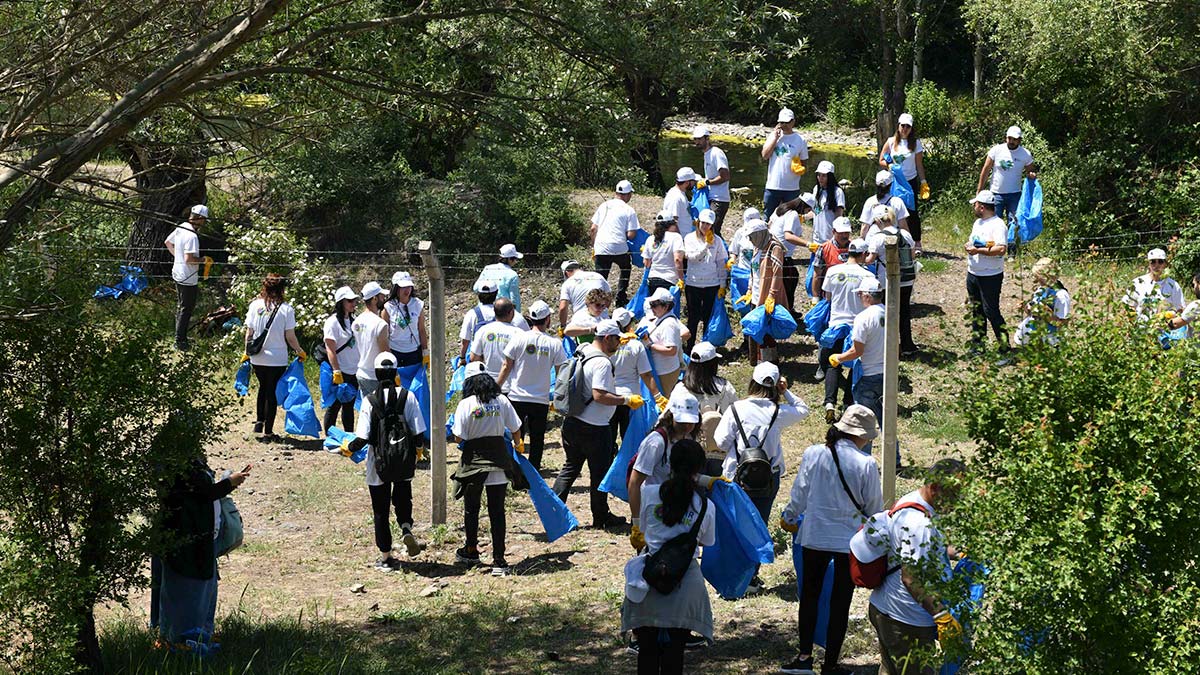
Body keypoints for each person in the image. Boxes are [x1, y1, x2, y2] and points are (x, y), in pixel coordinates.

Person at [779, 405, 882, 675]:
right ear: (862, 435)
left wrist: (789, 515)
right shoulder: (867, 463)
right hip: (848, 542)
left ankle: (803, 657)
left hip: (813, 536)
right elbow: (874, 509)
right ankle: (831, 663)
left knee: (809, 598)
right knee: (840, 603)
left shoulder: (814, 453)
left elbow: (799, 492)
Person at [621, 440, 715, 674]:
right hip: (685, 583)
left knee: (647, 652)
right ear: (699, 469)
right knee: (675, 654)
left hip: (648, 579)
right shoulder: (705, 505)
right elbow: (707, 541)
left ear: (669, 464)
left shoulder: (649, 493)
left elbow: (642, 526)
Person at [714, 361, 809, 591]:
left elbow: (720, 441)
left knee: (736, 525)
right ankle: (752, 576)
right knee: (759, 524)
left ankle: (735, 575)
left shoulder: (736, 409)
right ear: (776, 386)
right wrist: (786, 392)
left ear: (752, 382)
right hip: (768, 477)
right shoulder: (778, 412)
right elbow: (803, 409)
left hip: (736, 476)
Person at [867, 459, 967, 675]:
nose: (957, 502)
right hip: (904, 621)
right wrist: (941, 615)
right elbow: (911, 578)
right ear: (934, 488)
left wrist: (957, 552)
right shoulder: (919, 523)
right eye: (954, 494)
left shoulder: (916, 501)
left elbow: (927, 550)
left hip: (889, 611)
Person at [339, 352, 428, 570]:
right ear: (396, 372)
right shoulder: (408, 396)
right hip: (403, 461)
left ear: (377, 373)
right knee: (403, 497)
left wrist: (345, 448)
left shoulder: (370, 401)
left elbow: (362, 438)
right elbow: (419, 435)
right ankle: (406, 526)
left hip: (377, 463)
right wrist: (417, 452)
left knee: (380, 510)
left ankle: (386, 556)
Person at [155, 457, 250, 650]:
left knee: (205, 592)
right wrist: (229, 483)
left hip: (203, 541)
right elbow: (199, 494)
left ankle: (200, 637)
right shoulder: (176, 463)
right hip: (188, 545)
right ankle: (182, 644)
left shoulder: (187, 459)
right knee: (189, 594)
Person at [553, 319, 639, 529]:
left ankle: (553, 512)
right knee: (599, 472)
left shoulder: (583, 350)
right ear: (607, 338)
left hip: (572, 422)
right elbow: (599, 395)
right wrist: (625, 400)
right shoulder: (601, 362)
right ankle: (600, 516)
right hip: (594, 427)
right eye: (617, 339)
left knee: (570, 467)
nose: (619, 343)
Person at [452, 362, 524, 576]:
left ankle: (471, 550)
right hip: (499, 462)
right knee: (497, 511)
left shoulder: (465, 404)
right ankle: (499, 560)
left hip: (474, 463)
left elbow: (459, 436)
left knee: (471, 508)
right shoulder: (501, 401)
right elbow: (516, 428)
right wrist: (517, 445)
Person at [497, 300, 569, 470]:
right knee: (537, 438)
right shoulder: (554, 344)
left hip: (516, 396)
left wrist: (496, 386)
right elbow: (562, 374)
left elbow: (506, 366)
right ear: (548, 320)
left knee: (516, 434)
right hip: (540, 399)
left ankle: (514, 467)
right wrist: (559, 397)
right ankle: (534, 469)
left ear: (530, 318)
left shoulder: (519, 338)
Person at [628, 394, 702, 547]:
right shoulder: (655, 443)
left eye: (691, 422)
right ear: (671, 415)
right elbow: (635, 483)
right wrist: (637, 524)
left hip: (676, 505)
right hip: (653, 509)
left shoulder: (687, 439)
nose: (687, 426)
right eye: (682, 421)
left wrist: (708, 480)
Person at [818, 239, 876, 423]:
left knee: (832, 364)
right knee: (855, 363)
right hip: (856, 327)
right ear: (864, 254)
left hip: (835, 325)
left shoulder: (833, 270)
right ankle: (848, 402)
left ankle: (829, 403)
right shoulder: (867, 276)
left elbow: (827, 296)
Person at [243, 273, 305, 438]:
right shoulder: (286, 309)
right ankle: (268, 432)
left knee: (263, 387)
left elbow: (249, 332)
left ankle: (259, 422)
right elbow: (290, 337)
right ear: (282, 289)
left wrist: (246, 352)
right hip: (277, 358)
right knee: (272, 392)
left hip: (257, 356)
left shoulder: (254, 306)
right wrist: (300, 351)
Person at [672, 341, 738, 475]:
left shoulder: (681, 388)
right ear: (713, 364)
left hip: (690, 451)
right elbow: (736, 417)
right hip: (719, 451)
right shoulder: (725, 387)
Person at [829, 278, 887, 427]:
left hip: (869, 375)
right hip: (888, 374)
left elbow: (857, 350)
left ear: (867, 296)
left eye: (860, 294)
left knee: (863, 422)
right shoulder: (890, 314)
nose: (859, 297)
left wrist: (839, 358)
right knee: (885, 420)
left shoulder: (863, 318)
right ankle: (893, 451)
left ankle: (863, 451)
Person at [610, 308, 668, 451]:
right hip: (631, 399)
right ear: (628, 324)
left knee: (608, 437)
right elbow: (646, 375)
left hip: (609, 397)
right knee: (630, 438)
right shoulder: (635, 345)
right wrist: (658, 396)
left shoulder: (606, 344)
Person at [864, 205, 920, 355]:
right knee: (904, 311)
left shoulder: (878, 238)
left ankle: (889, 346)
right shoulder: (905, 234)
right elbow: (913, 255)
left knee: (888, 313)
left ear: (877, 221)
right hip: (907, 279)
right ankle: (907, 345)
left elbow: (870, 260)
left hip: (886, 280)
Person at [964, 190, 1010, 354]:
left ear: (982, 207)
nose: (973, 207)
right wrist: (969, 246)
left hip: (990, 275)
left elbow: (1001, 249)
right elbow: (974, 241)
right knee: (977, 310)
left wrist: (979, 251)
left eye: (975, 205)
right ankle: (978, 344)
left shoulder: (998, 225)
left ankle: (1005, 346)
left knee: (991, 311)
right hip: (973, 273)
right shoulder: (978, 223)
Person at [879, 113, 928, 251]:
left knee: (912, 211)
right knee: (892, 209)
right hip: (894, 181)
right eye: (903, 126)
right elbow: (881, 159)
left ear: (911, 128)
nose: (905, 129)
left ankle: (916, 242)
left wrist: (923, 181)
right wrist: (889, 166)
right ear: (898, 126)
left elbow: (919, 164)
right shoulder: (891, 141)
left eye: (908, 126)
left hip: (910, 181)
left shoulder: (916, 143)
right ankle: (893, 237)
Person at [744, 218, 788, 365]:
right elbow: (753, 271)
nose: (750, 240)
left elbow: (777, 273)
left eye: (752, 236)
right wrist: (749, 289)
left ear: (760, 234)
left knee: (766, 333)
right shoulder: (758, 247)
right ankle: (756, 361)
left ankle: (769, 363)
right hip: (755, 295)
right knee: (754, 330)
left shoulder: (774, 247)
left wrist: (771, 295)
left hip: (766, 297)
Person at [683, 208, 729, 350]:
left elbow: (721, 263)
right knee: (693, 317)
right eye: (703, 223)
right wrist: (706, 246)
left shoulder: (718, 241)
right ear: (698, 223)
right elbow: (692, 257)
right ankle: (689, 346)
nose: (705, 226)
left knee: (708, 317)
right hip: (693, 283)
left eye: (708, 224)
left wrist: (722, 284)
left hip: (711, 284)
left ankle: (705, 347)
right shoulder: (689, 238)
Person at [592, 180, 642, 307]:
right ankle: (620, 297)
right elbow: (631, 234)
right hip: (619, 247)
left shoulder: (604, 206)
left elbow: (593, 228)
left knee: (600, 277)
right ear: (627, 194)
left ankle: (596, 302)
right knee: (625, 267)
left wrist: (594, 245)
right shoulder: (629, 210)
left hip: (601, 246)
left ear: (616, 192)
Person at [165, 204, 208, 351]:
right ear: (200, 218)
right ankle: (180, 341)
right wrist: (203, 260)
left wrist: (177, 257)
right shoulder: (192, 236)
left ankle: (179, 335)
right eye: (204, 220)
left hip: (177, 273)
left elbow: (168, 242)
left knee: (181, 305)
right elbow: (189, 259)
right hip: (187, 277)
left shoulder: (181, 227)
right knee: (186, 309)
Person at [977, 126, 1037, 227]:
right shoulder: (996, 150)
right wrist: (980, 190)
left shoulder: (1025, 154)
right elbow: (986, 170)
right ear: (1006, 138)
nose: (1011, 141)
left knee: (1014, 223)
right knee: (994, 223)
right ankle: (996, 243)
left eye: (1014, 139)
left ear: (1019, 140)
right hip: (996, 194)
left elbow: (1031, 170)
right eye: (1010, 138)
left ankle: (1011, 242)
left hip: (1014, 194)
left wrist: (1031, 175)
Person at [769, 195, 818, 312]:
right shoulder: (793, 215)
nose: (808, 212)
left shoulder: (781, 209)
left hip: (771, 249)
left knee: (789, 278)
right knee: (789, 282)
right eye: (808, 209)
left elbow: (770, 224)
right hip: (782, 254)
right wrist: (808, 244)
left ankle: (786, 308)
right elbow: (788, 236)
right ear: (803, 206)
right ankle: (786, 309)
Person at [459, 281, 530, 362]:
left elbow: (465, 341)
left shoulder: (472, 314)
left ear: (478, 295)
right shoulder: (507, 312)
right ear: (496, 293)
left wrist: (462, 358)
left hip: (479, 361)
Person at [323, 286, 361, 434]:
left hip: (354, 370)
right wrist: (336, 370)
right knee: (334, 405)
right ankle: (329, 436)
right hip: (339, 370)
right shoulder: (332, 322)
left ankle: (349, 436)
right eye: (350, 300)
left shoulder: (355, 320)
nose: (353, 303)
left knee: (349, 406)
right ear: (341, 303)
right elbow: (330, 349)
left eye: (354, 300)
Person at [761, 107, 809, 217]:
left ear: (793, 122)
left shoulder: (800, 139)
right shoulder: (773, 136)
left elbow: (804, 163)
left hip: (792, 187)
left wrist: (798, 168)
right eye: (782, 122)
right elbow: (765, 155)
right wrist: (774, 139)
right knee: (768, 215)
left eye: (787, 122)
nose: (784, 125)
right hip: (773, 186)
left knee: (791, 216)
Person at [1014, 257, 1071, 347]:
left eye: (1039, 278)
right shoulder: (1041, 289)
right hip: (1034, 331)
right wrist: (1025, 307)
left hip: (1049, 336)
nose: (1037, 281)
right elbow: (1032, 312)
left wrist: (1046, 314)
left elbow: (1062, 324)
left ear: (1049, 276)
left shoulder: (1061, 295)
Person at [640, 288, 684, 396]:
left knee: (664, 399)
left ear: (665, 306)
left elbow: (671, 350)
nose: (652, 308)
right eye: (651, 304)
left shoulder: (669, 324)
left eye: (655, 305)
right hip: (659, 369)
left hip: (665, 371)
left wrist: (650, 345)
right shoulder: (659, 319)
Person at [470, 298, 524, 385]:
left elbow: (473, 358)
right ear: (511, 312)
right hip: (512, 386)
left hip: (488, 384)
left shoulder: (483, 330)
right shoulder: (519, 334)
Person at [1122, 248, 1185, 320]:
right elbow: (1129, 306)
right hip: (1141, 327)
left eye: (1160, 262)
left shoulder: (1173, 285)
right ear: (1148, 264)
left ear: (1165, 264)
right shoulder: (1137, 283)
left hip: (1166, 328)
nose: (1156, 265)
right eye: (1153, 261)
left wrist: (1167, 315)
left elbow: (1180, 309)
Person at [353, 281, 392, 397]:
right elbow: (385, 353)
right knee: (380, 411)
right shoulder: (380, 324)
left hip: (361, 372)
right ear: (374, 299)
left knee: (367, 410)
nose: (384, 298)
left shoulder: (357, 322)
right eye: (381, 296)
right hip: (376, 375)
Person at [810, 218, 853, 321]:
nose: (844, 236)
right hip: (831, 295)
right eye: (841, 233)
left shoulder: (855, 247)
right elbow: (817, 274)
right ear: (833, 232)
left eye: (847, 233)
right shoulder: (824, 248)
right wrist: (816, 297)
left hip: (851, 295)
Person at [693, 126, 732, 236]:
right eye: (695, 139)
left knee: (712, 230)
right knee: (706, 229)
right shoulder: (707, 154)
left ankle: (723, 251)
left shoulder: (716, 153)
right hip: (711, 197)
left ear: (707, 138)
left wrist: (707, 182)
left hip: (720, 199)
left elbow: (725, 176)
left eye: (700, 139)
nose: (697, 142)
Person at [384, 271, 428, 367]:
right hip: (395, 351)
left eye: (409, 286)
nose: (407, 290)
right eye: (403, 287)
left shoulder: (418, 304)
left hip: (414, 351)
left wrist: (425, 351)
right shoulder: (388, 307)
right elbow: (384, 334)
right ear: (396, 288)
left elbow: (421, 329)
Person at [560, 260, 612, 328]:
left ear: (566, 273)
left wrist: (563, 326)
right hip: (603, 322)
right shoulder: (598, 276)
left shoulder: (567, 283)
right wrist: (601, 309)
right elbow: (609, 296)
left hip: (582, 323)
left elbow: (563, 308)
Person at [644, 211, 685, 294]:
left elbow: (646, 263)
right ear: (671, 224)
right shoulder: (676, 237)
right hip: (669, 279)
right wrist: (681, 279)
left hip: (652, 279)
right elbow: (678, 259)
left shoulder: (650, 239)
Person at [858, 170, 909, 237]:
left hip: (873, 239)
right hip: (892, 239)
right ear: (891, 185)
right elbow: (903, 226)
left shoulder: (870, 201)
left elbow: (865, 227)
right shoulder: (897, 202)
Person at [474, 244, 523, 310]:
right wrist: (517, 314)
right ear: (510, 259)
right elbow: (514, 299)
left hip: (483, 309)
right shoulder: (512, 275)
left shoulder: (488, 268)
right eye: (515, 259)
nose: (516, 261)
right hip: (502, 312)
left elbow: (476, 288)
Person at [809, 161, 845, 245]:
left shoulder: (837, 192)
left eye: (824, 175)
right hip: (817, 238)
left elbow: (838, 216)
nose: (820, 178)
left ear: (830, 176)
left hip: (830, 239)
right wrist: (803, 217)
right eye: (819, 175)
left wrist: (836, 236)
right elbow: (816, 211)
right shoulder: (816, 189)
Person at [663, 167, 698, 238]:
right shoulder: (676, 197)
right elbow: (672, 222)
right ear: (687, 182)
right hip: (681, 238)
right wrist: (680, 241)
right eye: (693, 181)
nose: (694, 183)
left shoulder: (681, 193)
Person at [1164, 273, 1200, 338]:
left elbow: (1175, 324)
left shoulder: (1197, 305)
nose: (1194, 288)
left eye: (1193, 285)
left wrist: (1159, 321)